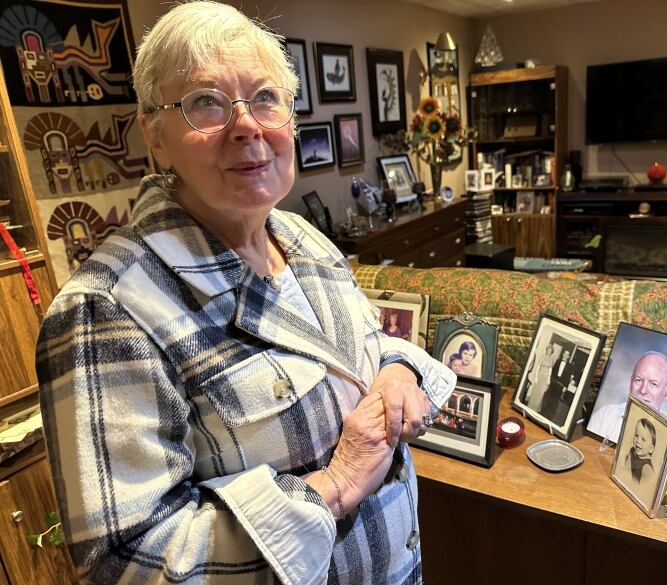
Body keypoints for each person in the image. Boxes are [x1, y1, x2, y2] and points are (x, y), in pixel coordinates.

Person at [34, 3, 456, 584]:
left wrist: (396, 374)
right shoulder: (106, 310)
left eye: (265, 97)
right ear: (155, 139)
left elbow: (370, 346)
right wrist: (332, 488)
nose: (247, 125)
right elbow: (123, 564)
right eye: (205, 101)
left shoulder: (302, 237)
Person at [588, 351, 667, 443]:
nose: (643, 390)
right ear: (630, 382)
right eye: (638, 380)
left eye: (653, 384)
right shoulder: (604, 416)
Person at [540, 349, 573, 423]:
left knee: (555, 401)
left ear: (568, 356)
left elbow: (568, 377)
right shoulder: (558, 361)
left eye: (567, 354)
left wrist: (565, 387)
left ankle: (550, 416)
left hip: (560, 386)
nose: (565, 355)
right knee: (548, 397)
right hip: (553, 383)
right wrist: (550, 380)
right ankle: (543, 412)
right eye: (564, 353)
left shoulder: (570, 366)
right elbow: (553, 370)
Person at [624, 417, 656, 485]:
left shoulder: (647, 468)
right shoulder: (632, 451)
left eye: (643, 439)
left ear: (651, 449)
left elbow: (642, 487)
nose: (638, 441)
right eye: (636, 435)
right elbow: (625, 468)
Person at [526, 344, 554, 412]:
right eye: (548, 350)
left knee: (541, 393)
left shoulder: (551, 360)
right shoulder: (542, 357)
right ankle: (530, 406)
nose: (549, 351)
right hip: (540, 376)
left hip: (545, 377)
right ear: (546, 350)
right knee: (535, 392)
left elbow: (550, 370)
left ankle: (535, 408)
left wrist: (548, 380)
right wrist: (536, 377)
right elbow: (538, 368)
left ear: (551, 352)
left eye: (550, 350)